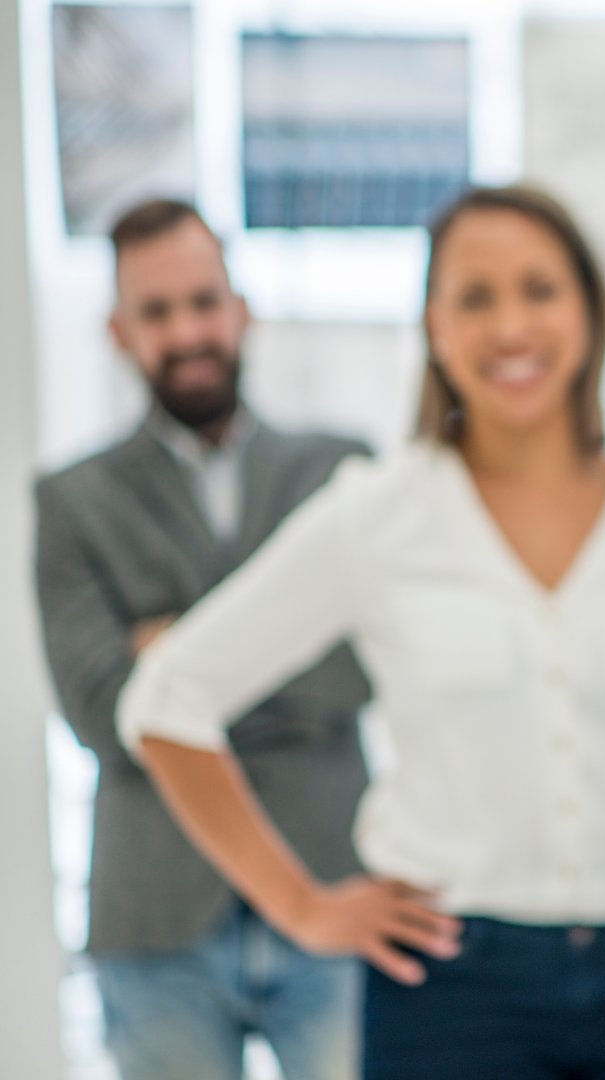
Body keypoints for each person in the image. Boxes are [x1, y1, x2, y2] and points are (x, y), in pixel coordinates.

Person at [117, 186, 605, 1080]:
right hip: (452, 997)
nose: (510, 326)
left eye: (538, 288)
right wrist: (301, 907)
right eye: (474, 297)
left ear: (589, 309)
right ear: (434, 329)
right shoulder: (376, 518)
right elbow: (166, 699)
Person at [34, 198, 372, 1080]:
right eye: (156, 311)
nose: (186, 331)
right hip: (156, 922)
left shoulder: (341, 471)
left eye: (202, 301)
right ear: (118, 330)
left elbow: (361, 671)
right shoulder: (71, 502)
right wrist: (279, 644)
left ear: (240, 307)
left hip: (334, 883)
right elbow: (102, 709)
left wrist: (175, 655)